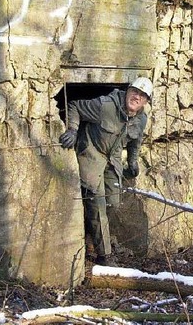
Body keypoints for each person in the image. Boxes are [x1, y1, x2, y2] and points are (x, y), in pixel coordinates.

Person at [59, 77, 153, 265]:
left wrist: (133, 161)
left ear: (145, 102)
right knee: (98, 202)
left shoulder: (141, 119)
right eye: (134, 91)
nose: (136, 97)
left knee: (113, 202)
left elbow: (136, 140)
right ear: (127, 90)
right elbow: (75, 106)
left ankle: (94, 236)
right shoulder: (106, 105)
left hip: (113, 158)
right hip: (92, 152)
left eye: (142, 96)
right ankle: (105, 255)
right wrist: (72, 130)